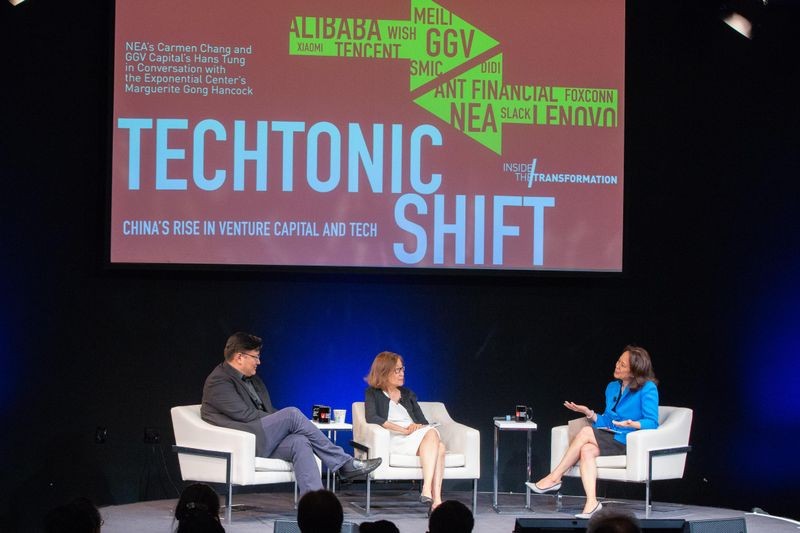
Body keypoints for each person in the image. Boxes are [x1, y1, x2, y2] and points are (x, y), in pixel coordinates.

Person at [201, 332, 381, 495]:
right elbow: (245, 415)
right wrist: (286, 422)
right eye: (255, 357)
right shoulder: (218, 380)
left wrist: (291, 424)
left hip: (262, 437)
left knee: (300, 441)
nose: (259, 361)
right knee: (292, 414)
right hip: (244, 441)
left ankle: (314, 504)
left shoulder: (253, 380)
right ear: (239, 357)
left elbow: (268, 411)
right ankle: (345, 464)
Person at [528, 345, 659, 519]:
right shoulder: (612, 387)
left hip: (627, 439)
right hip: (610, 436)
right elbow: (607, 419)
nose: (617, 365)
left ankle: (555, 477)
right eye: (618, 361)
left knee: (585, 432)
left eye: (623, 365)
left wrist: (633, 423)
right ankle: (592, 503)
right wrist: (588, 413)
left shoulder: (648, 388)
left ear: (635, 371)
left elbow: (652, 422)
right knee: (586, 450)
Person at [364, 351, 446, 512]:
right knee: (440, 448)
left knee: (436, 441)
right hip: (394, 438)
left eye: (402, 369)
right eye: (397, 370)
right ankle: (432, 496)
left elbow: (423, 422)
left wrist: (417, 426)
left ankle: (434, 498)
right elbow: (372, 417)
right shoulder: (373, 393)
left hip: (415, 436)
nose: (402, 374)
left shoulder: (408, 394)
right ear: (384, 371)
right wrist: (402, 429)